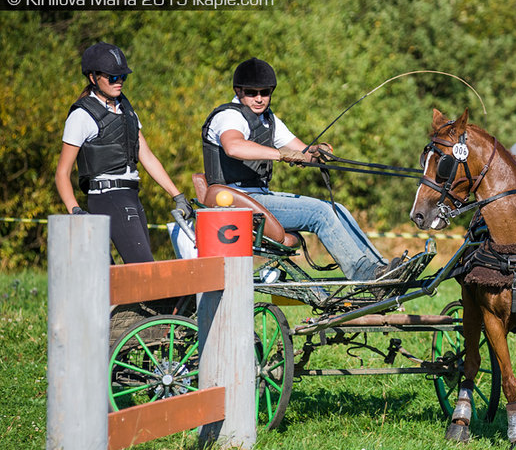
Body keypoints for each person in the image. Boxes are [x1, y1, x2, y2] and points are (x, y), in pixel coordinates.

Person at [201, 57, 397, 281]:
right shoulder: (229, 116)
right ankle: (364, 274)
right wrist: (281, 154)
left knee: (337, 208)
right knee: (320, 213)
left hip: (257, 198)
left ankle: (382, 270)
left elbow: (301, 151)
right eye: (251, 92)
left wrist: (316, 152)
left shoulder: (268, 119)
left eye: (264, 92)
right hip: (235, 202)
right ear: (238, 91)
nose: (258, 98)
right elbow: (234, 146)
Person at [55, 42, 193, 264]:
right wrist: (75, 211)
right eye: (112, 77)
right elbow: (62, 173)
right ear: (93, 78)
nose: (118, 82)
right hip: (107, 196)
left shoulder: (126, 109)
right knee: (144, 269)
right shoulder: (82, 116)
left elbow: (146, 156)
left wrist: (177, 196)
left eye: (122, 77)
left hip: (130, 195)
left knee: (136, 273)